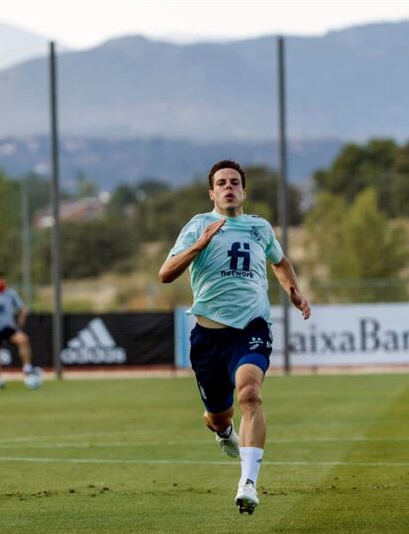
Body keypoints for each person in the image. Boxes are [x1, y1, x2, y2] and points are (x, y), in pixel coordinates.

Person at [158, 160, 311, 515]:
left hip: (252, 329)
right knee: (218, 417)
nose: (229, 187)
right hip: (209, 339)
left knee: (250, 394)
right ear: (212, 192)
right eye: (222, 183)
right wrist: (199, 245)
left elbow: (281, 262)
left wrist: (294, 291)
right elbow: (165, 274)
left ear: (243, 190)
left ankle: (248, 482)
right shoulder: (198, 225)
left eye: (235, 182)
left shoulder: (260, 228)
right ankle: (222, 431)